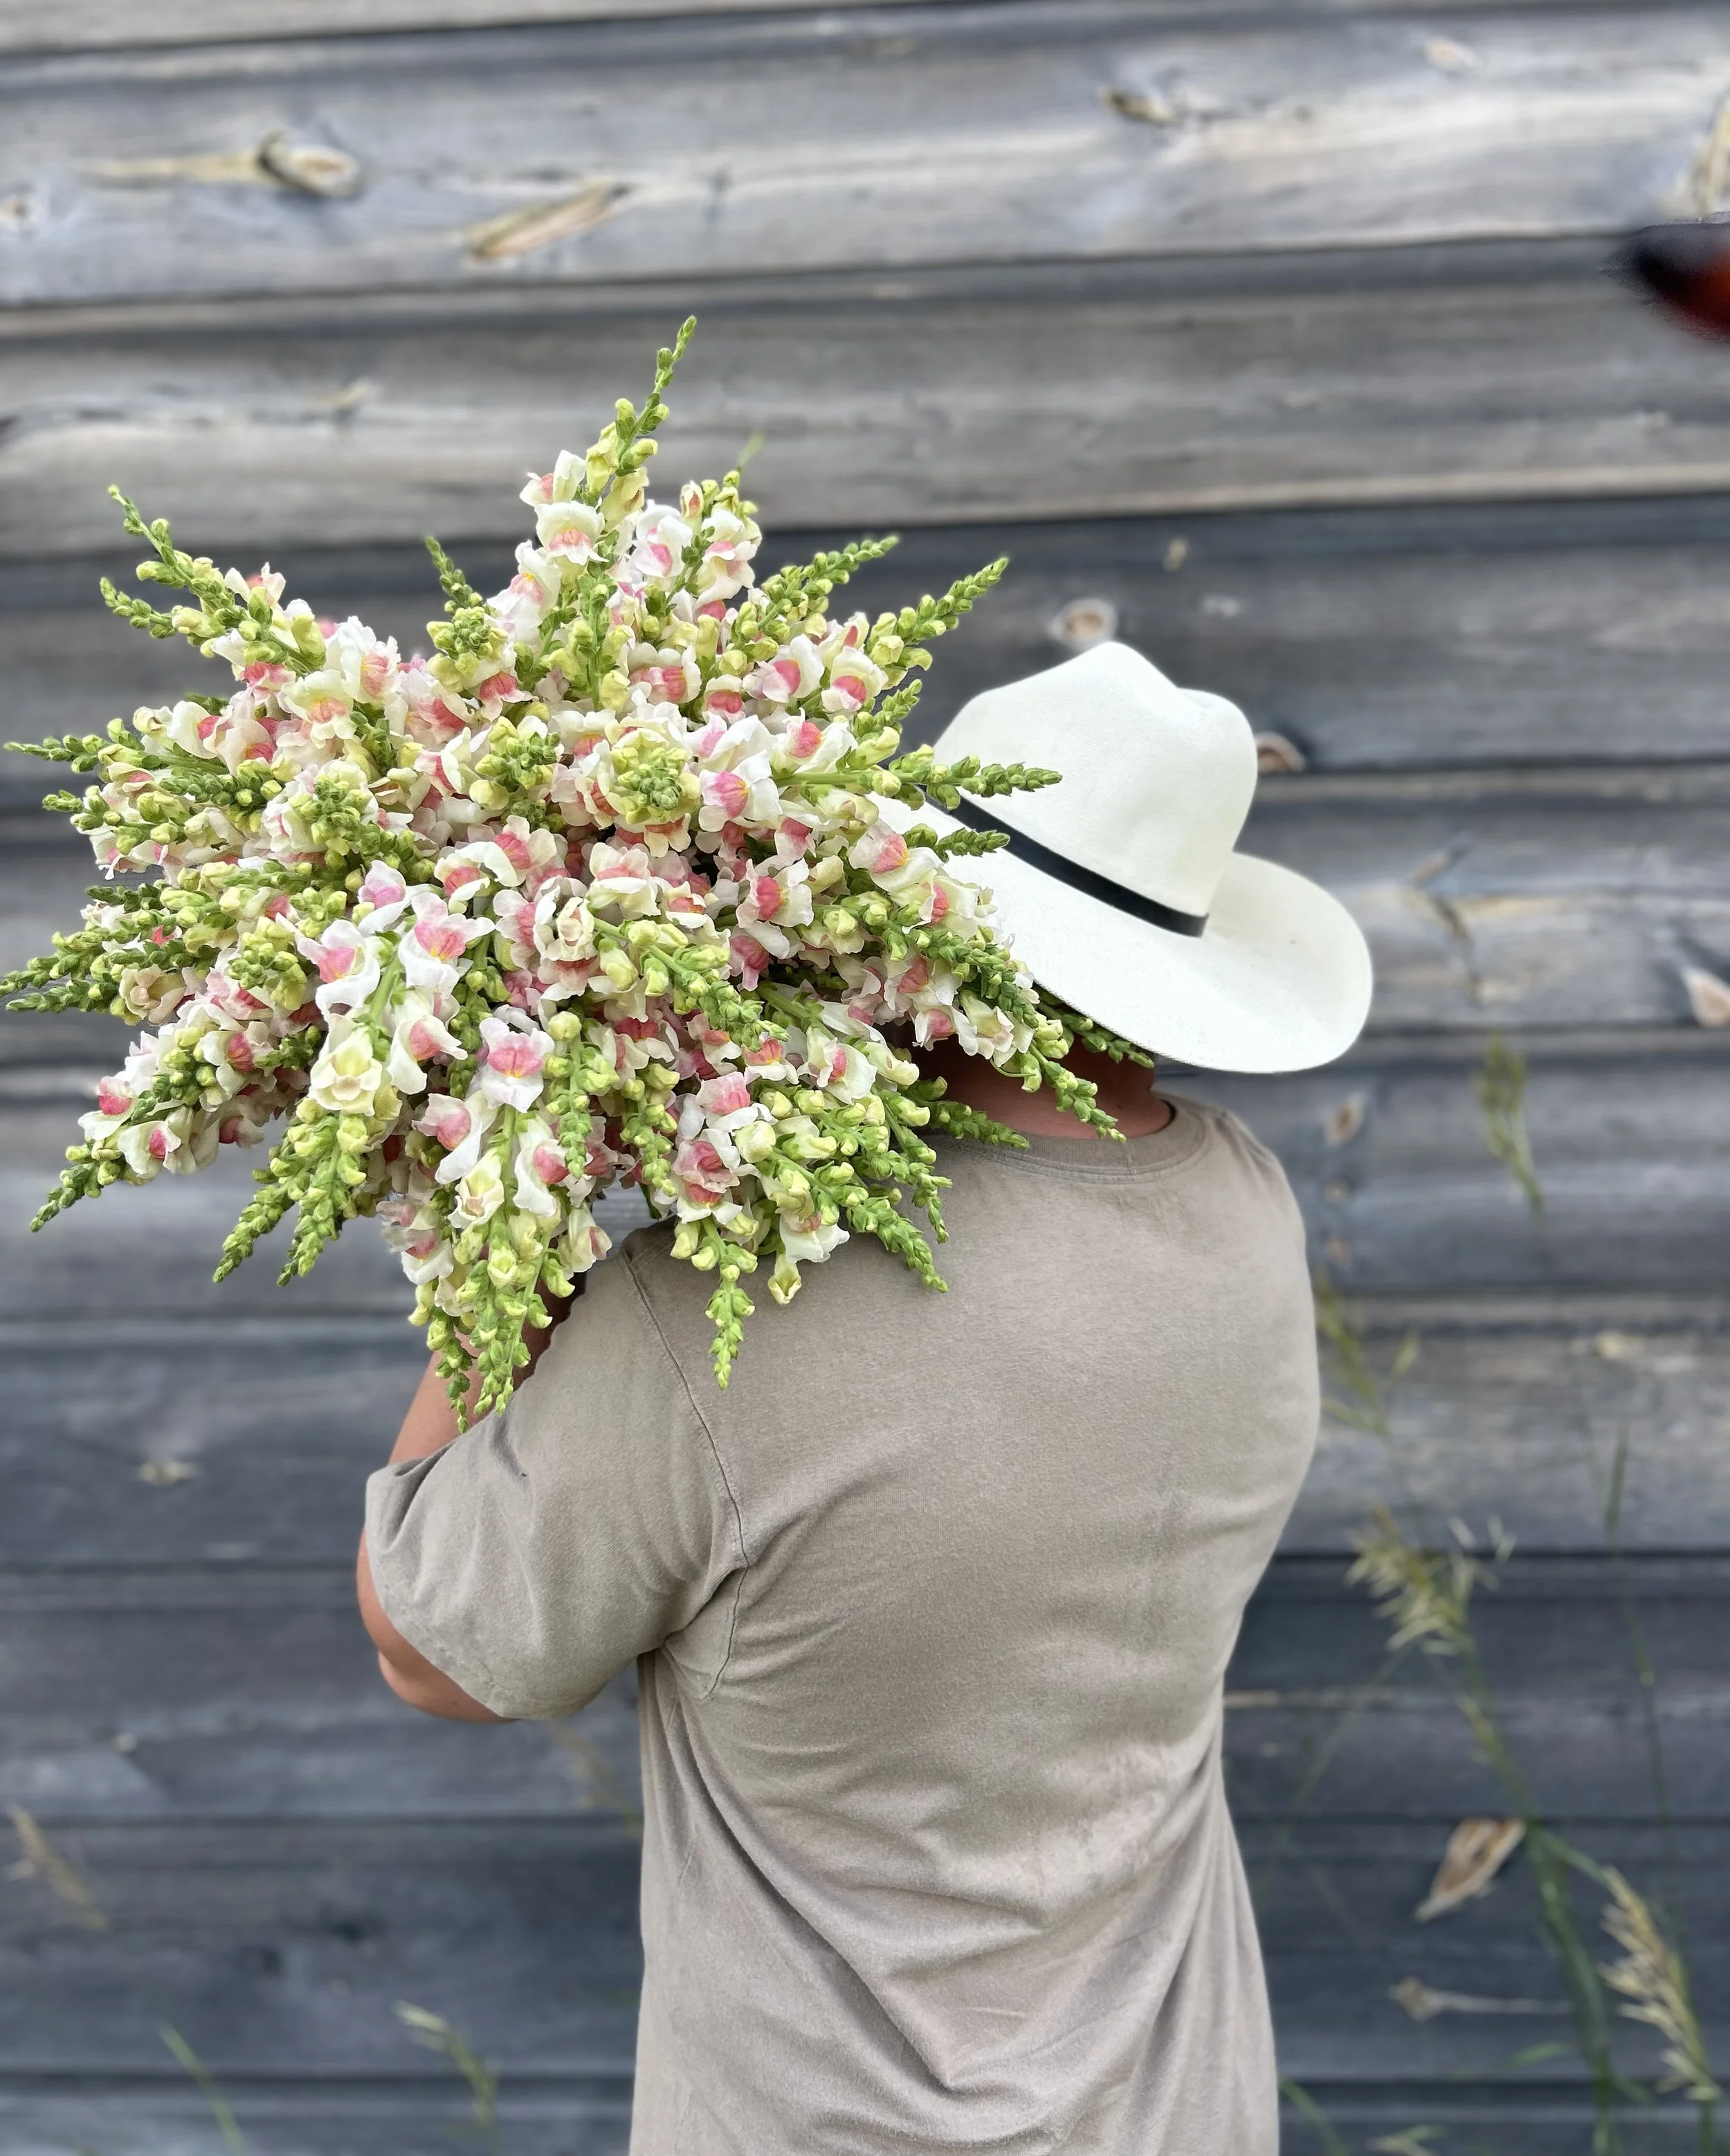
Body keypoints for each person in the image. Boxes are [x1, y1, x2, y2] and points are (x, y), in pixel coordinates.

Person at [357, 644, 1373, 2155]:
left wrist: (517, 1207)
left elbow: (432, 1645)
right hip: (1175, 2110)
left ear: (899, 905)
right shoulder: (1244, 1213)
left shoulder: (723, 1308)